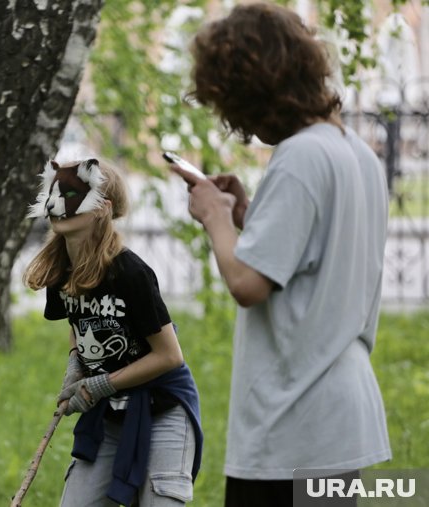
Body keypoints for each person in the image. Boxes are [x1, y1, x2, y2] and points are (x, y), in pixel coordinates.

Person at [168, 3, 391, 506]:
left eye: (234, 108)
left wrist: (216, 217)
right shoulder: (353, 150)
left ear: (257, 93)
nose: (238, 125)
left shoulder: (300, 157)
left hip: (292, 425)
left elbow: (248, 283)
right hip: (339, 419)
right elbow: (313, 254)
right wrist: (248, 212)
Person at [24, 158, 203, 507]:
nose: (59, 204)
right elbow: (79, 325)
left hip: (162, 407)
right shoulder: (61, 269)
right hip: (108, 413)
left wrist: (101, 383)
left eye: (74, 195)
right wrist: (77, 364)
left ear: (101, 209)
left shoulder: (130, 271)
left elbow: (169, 356)